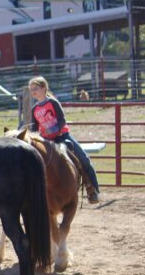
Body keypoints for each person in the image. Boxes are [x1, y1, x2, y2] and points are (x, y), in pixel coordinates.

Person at [26, 76, 101, 204]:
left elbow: (62, 120)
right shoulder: (34, 109)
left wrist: (54, 128)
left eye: (36, 88)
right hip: (46, 141)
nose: (33, 91)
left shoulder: (53, 103)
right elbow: (35, 127)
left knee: (84, 159)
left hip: (62, 136)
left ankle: (92, 190)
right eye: (31, 89)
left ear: (44, 88)